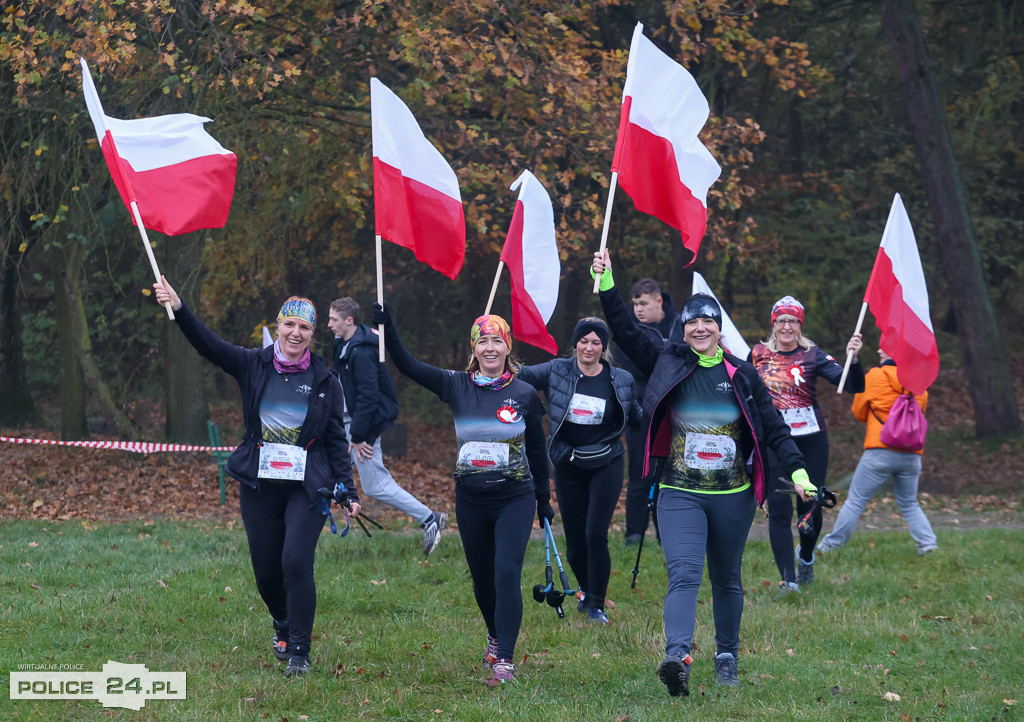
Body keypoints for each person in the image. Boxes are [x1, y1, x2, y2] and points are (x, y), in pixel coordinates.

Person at [592, 251, 812, 696]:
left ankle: (726, 655)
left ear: (718, 329)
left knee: (727, 578)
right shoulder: (667, 360)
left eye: (707, 322)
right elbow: (626, 329)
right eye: (692, 323)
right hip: (679, 490)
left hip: (732, 494)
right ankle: (677, 656)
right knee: (685, 573)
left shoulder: (742, 375)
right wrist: (608, 285)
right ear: (683, 328)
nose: (699, 328)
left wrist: (800, 472)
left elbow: (773, 429)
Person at [153, 277, 359, 677]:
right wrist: (179, 308)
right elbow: (206, 344)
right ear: (278, 326)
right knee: (266, 568)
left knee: (296, 561)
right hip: (260, 483)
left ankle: (299, 648)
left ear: (313, 334)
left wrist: (346, 488)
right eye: (289, 325)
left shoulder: (324, 381)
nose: (295, 333)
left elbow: (336, 439)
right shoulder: (252, 363)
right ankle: (282, 622)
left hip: (307, 486)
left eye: (304, 328)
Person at [371, 304, 551, 686]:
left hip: (514, 497)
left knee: (506, 573)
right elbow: (409, 366)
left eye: (496, 341)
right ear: (474, 348)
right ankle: (494, 633)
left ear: (507, 347)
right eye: (482, 341)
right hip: (470, 499)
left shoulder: (524, 393)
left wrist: (544, 499)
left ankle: (504, 658)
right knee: (483, 581)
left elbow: (537, 449)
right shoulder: (456, 384)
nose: (489, 348)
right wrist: (391, 328)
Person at [518, 317, 641, 624]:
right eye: (583, 341)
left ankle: (597, 605)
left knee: (595, 534)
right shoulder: (556, 370)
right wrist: (489, 363)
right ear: (574, 345)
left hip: (607, 462)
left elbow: (638, 414)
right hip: (568, 463)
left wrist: (663, 410)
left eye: (596, 342)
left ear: (604, 347)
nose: (589, 347)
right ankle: (587, 593)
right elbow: (518, 375)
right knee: (574, 544)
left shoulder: (621, 379)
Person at [748, 295, 864, 594]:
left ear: (800, 326)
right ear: (773, 324)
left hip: (810, 440)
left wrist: (855, 359)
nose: (787, 326)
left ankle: (807, 555)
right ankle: (788, 579)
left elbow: (852, 386)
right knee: (778, 508)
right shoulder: (757, 354)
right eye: (781, 320)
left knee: (809, 505)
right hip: (774, 440)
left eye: (793, 320)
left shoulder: (813, 355)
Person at [328, 297, 447, 556]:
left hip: (363, 427)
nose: (329, 325)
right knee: (330, 475)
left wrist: (359, 436)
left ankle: (430, 519)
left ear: (349, 321)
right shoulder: (341, 343)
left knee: (375, 486)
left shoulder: (363, 350)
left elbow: (369, 397)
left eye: (333, 320)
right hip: (347, 423)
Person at [817, 348, 937, 554]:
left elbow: (858, 412)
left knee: (855, 501)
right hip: (911, 453)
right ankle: (928, 545)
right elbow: (921, 410)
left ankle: (830, 547)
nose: (880, 350)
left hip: (880, 450)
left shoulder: (875, 376)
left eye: (887, 347)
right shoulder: (917, 380)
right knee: (909, 503)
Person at [616, 278, 685, 547]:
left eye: (643, 304)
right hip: (642, 410)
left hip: (678, 413)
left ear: (658, 301)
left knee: (672, 474)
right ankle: (634, 532)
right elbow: (634, 368)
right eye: (634, 305)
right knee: (639, 470)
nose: (638, 310)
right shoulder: (630, 332)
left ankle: (667, 531)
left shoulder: (681, 325)